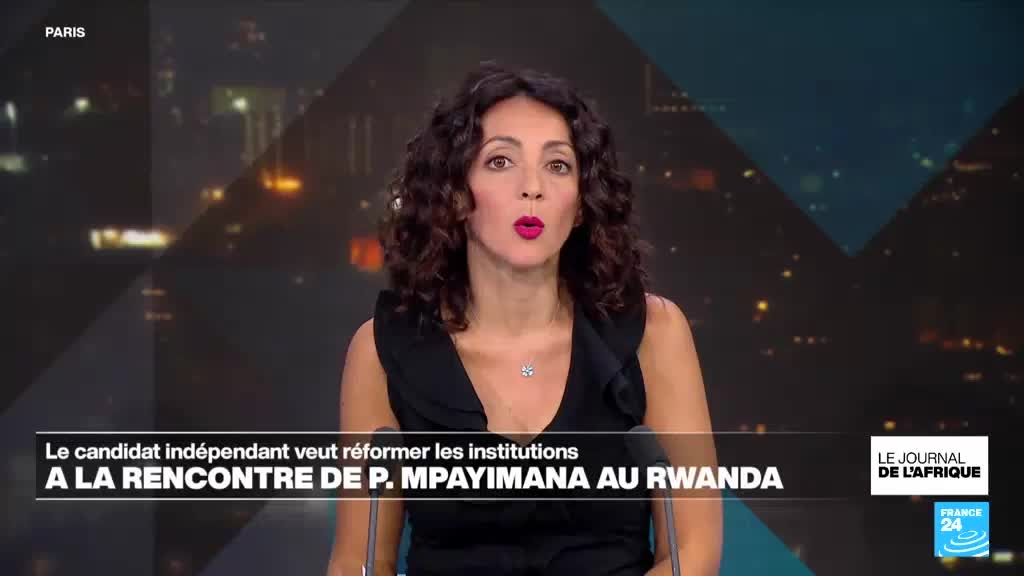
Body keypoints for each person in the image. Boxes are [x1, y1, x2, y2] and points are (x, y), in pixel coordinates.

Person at [327, 61, 721, 575]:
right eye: (500, 161)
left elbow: (693, 550)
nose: (532, 187)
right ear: (455, 194)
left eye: (557, 165)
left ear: (580, 205)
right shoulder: (383, 351)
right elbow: (357, 562)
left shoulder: (654, 334)